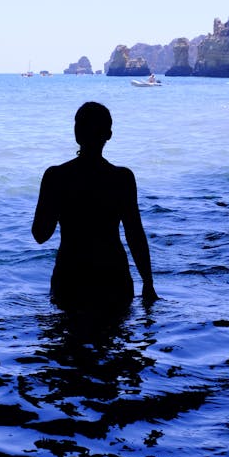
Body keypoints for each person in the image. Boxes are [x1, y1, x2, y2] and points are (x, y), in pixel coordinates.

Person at [32, 101, 158, 312]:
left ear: (76, 134)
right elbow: (134, 234)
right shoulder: (122, 178)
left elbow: (40, 235)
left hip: (71, 277)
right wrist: (148, 283)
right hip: (113, 277)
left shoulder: (56, 177)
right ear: (108, 134)